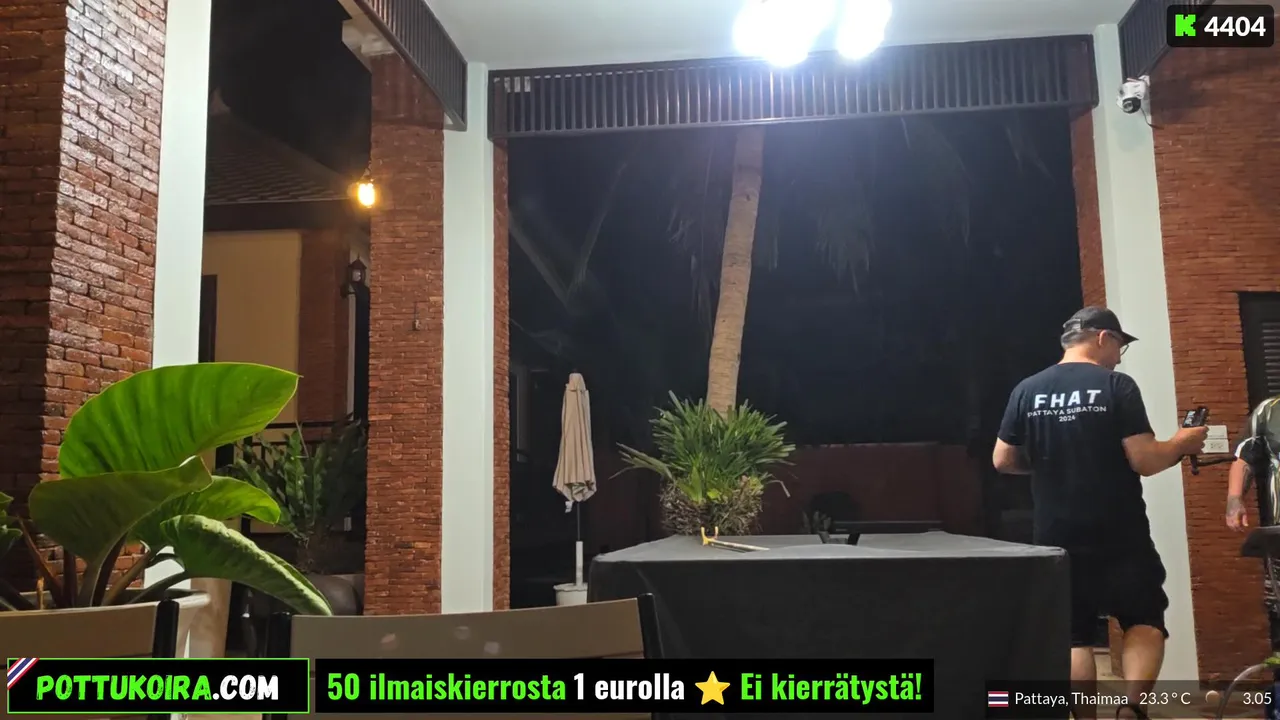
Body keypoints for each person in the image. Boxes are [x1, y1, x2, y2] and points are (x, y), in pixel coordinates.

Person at [992, 307, 1208, 720]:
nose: (1119, 358)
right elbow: (1145, 460)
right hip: (1119, 529)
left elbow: (1002, 460)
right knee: (1143, 617)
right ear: (1103, 337)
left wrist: (1054, 463)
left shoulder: (1027, 389)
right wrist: (1183, 442)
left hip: (1056, 531)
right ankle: (1131, 710)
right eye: (1120, 347)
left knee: (1074, 636)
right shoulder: (1115, 386)